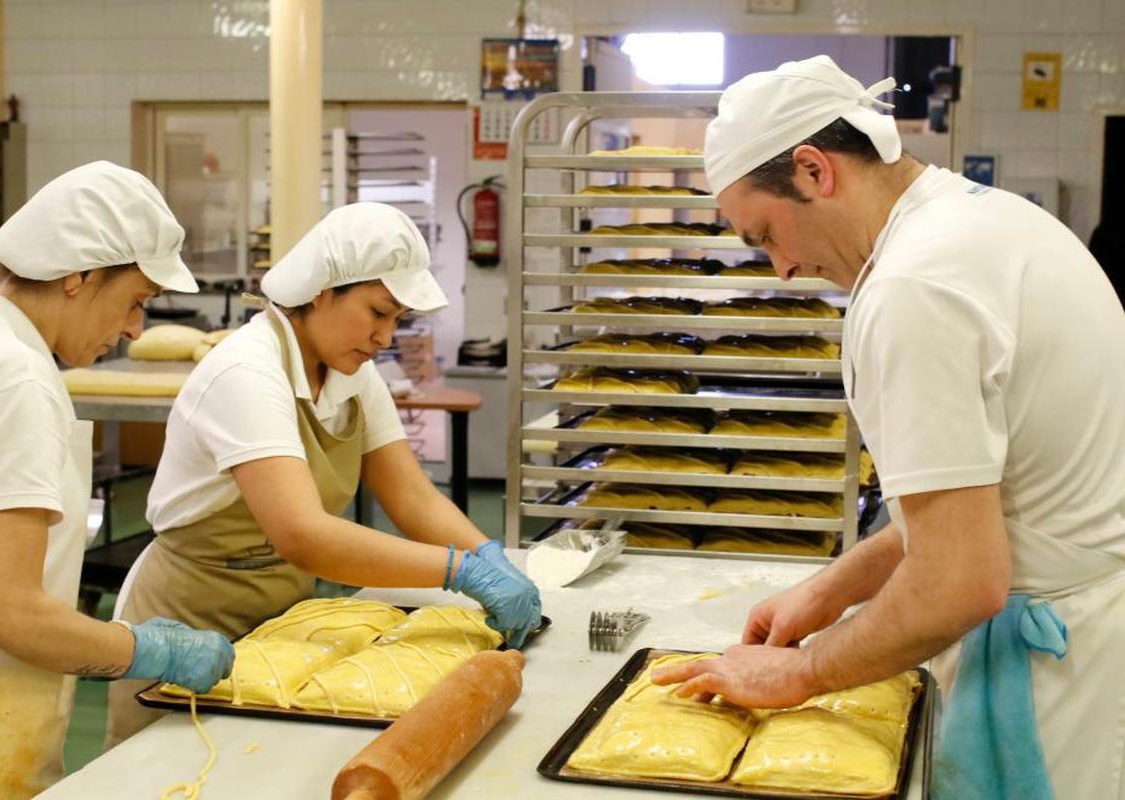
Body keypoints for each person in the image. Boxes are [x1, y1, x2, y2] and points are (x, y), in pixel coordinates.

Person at [651, 56, 1125, 799]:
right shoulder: (986, 219)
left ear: (814, 170)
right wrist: (833, 588)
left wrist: (800, 671)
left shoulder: (913, 288)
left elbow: (959, 579)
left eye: (768, 234)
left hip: (1056, 680)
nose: (781, 270)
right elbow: (979, 497)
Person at [105, 202, 542, 745]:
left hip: (284, 620)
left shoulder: (354, 373)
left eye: (398, 320)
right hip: (187, 618)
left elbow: (412, 498)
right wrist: (460, 571)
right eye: (377, 312)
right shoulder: (247, 370)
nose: (386, 337)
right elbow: (303, 534)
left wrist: (488, 557)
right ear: (322, 290)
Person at [0, 161, 235, 799]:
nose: (133, 330)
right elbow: (6, 613)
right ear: (80, 275)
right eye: (136, 301)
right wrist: (143, 650)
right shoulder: (14, 378)